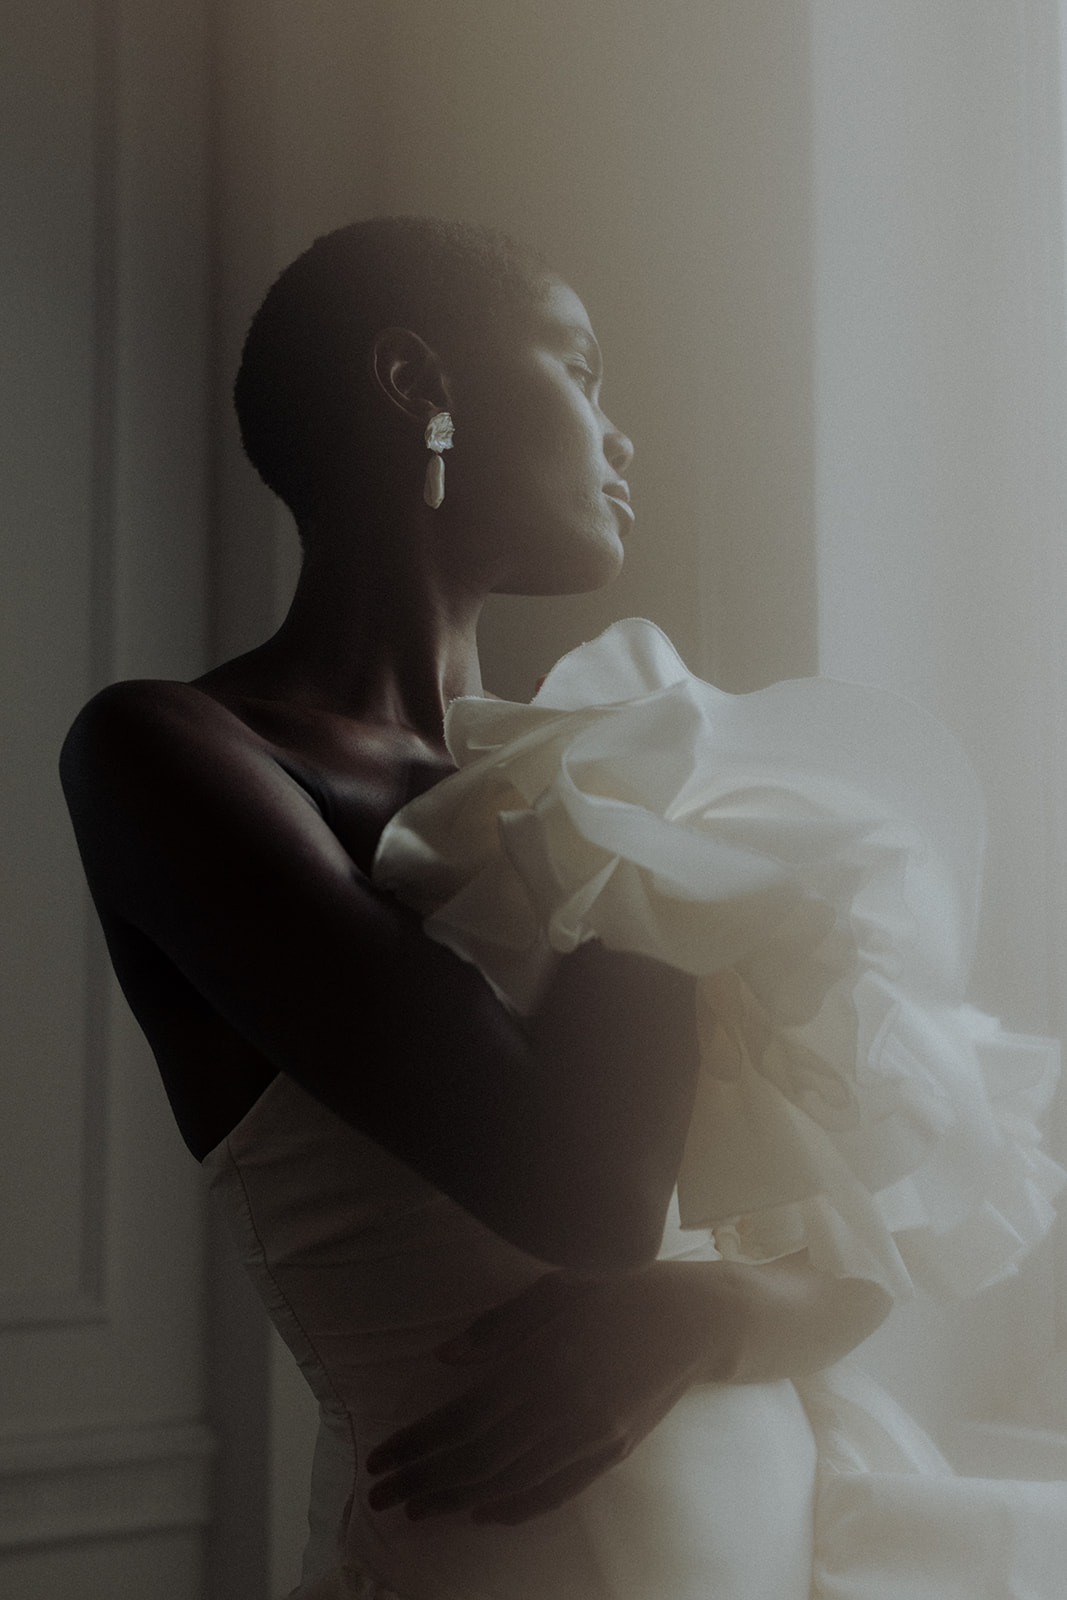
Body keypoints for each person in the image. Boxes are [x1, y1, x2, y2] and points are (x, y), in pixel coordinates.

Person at [60, 218, 1066, 1599]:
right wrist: (643, 819)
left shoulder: (613, 778)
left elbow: (878, 1237)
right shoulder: (172, 755)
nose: (620, 433)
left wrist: (702, 1314)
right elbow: (585, 1195)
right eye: (582, 369)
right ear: (419, 382)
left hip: (781, 1539)